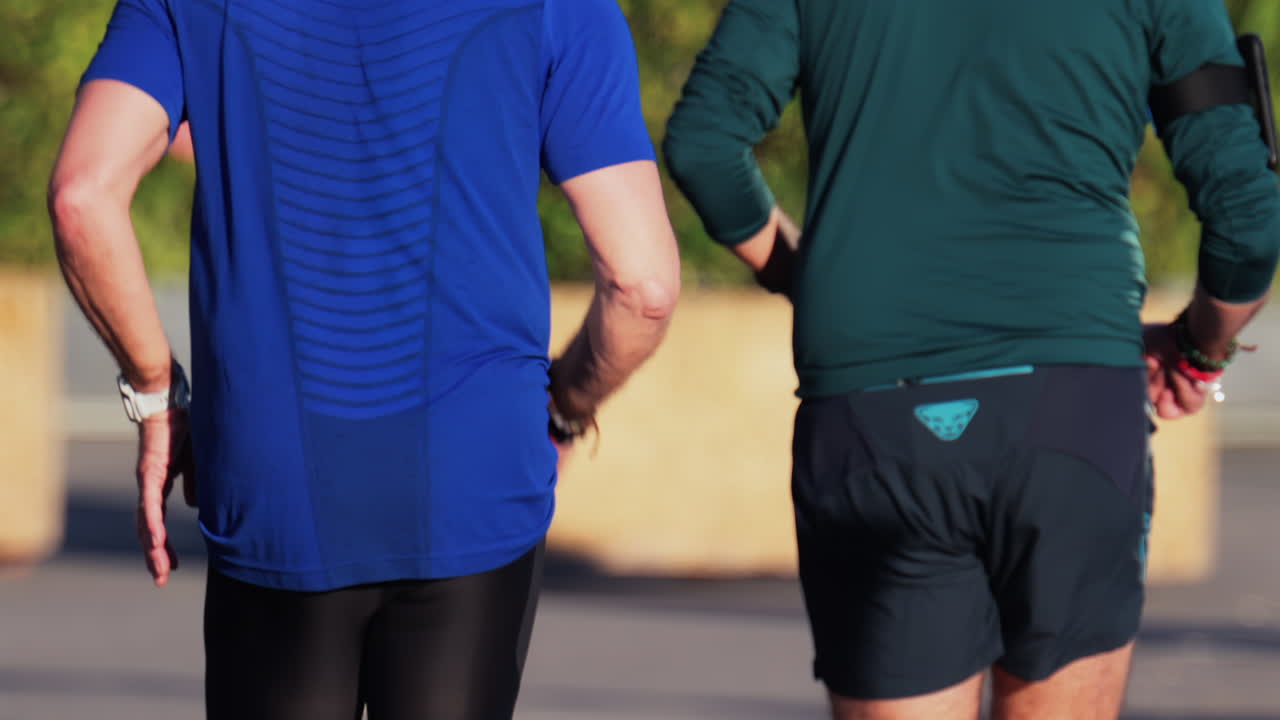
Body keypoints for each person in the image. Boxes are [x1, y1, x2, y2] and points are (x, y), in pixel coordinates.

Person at [48, 1, 680, 718]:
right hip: (470, 475)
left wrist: (155, 392)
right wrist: (566, 408)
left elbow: (82, 197)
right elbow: (644, 287)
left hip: (278, 475)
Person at [664, 1, 1279, 718]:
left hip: (874, 417)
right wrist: (1197, 350)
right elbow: (1249, 220)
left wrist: (822, 280)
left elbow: (705, 143)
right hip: (1073, 411)